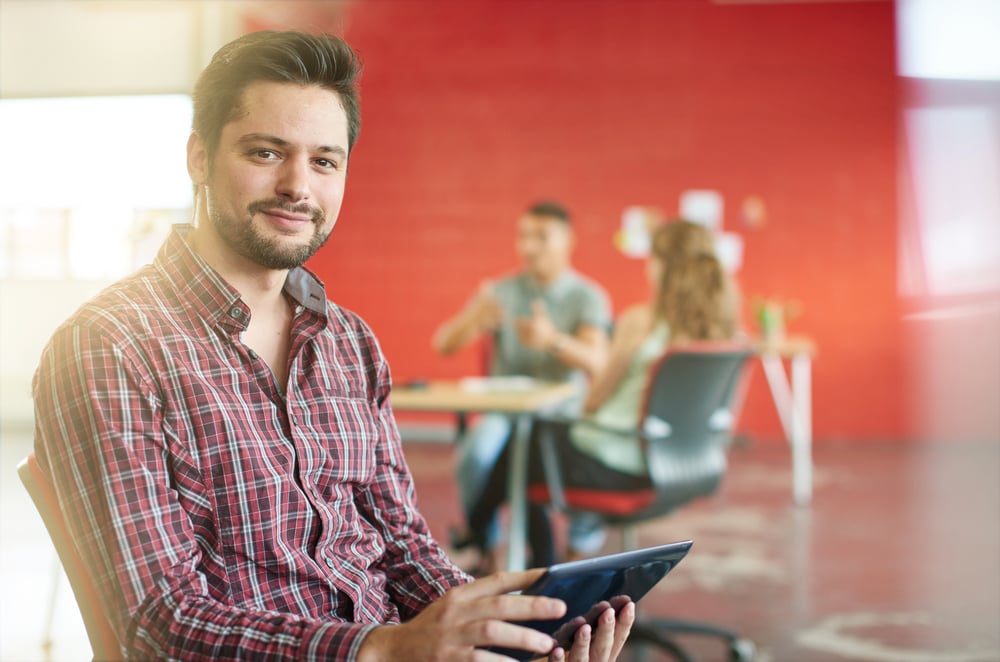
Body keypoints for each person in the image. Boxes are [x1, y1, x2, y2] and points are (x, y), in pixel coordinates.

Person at [31, 30, 634, 661]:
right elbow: (158, 623)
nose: (298, 185)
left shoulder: (349, 340)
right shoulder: (110, 347)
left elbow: (402, 546)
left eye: (325, 161)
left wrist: (506, 637)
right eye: (266, 153)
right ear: (199, 158)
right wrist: (381, 649)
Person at [467, 220, 738, 560]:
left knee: (525, 443)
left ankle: (496, 542)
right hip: (688, 464)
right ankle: (535, 558)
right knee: (530, 455)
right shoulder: (724, 334)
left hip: (620, 465)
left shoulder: (642, 321)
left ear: (663, 266)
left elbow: (595, 400)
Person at [432, 202, 611, 570]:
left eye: (541, 237)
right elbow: (444, 344)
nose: (530, 246)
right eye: (524, 236)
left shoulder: (587, 296)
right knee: (477, 453)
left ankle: (579, 549)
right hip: (506, 409)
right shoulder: (501, 291)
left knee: (582, 459)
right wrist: (474, 320)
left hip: (563, 412)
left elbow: (598, 362)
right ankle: (488, 549)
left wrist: (552, 341)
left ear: (568, 241)